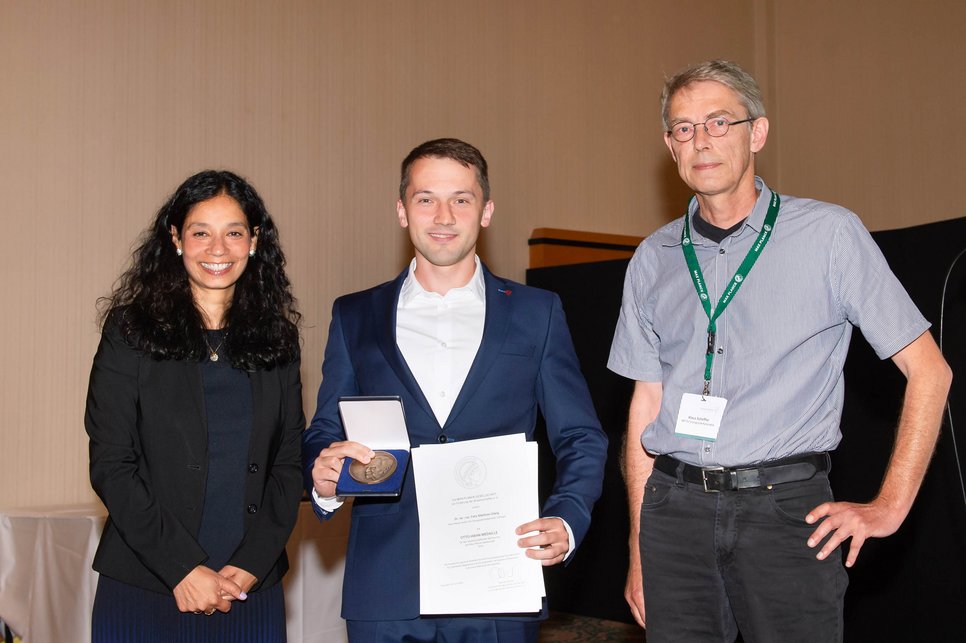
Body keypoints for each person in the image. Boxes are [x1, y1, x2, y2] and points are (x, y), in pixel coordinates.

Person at [608, 59, 952, 642]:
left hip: (786, 513)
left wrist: (889, 505)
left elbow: (930, 372)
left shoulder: (829, 235)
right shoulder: (653, 257)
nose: (702, 141)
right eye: (684, 128)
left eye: (719, 122)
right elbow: (645, 406)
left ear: (757, 132)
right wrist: (641, 547)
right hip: (673, 514)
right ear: (671, 145)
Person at [302, 138, 608, 642]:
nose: (443, 215)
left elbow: (581, 435)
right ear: (402, 211)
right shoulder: (354, 315)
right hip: (385, 586)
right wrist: (323, 474)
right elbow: (325, 429)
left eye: (461, 199)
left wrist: (567, 517)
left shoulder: (537, 312)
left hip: (499, 578)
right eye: (425, 199)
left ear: (485, 211)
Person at [85, 170, 304, 642]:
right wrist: (182, 568)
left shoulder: (278, 339)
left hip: (249, 588)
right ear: (176, 239)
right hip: (147, 585)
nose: (217, 249)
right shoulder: (130, 332)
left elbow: (287, 465)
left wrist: (249, 565)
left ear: (254, 241)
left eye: (234, 233)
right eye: (201, 232)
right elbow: (111, 464)